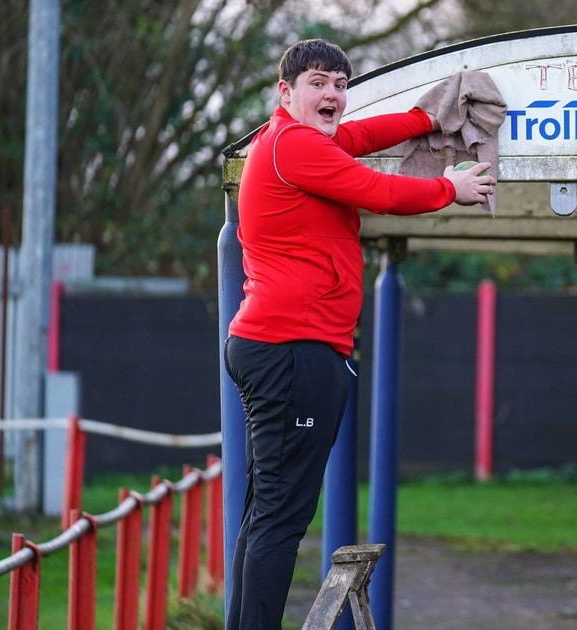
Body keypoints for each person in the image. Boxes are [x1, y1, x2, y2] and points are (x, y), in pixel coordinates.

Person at [223, 39, 495, 629]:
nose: (333, 95)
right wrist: (452, 189)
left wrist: (428, 118)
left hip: (280, 347)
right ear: (285, 93)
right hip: (291, 349)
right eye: (318, 82)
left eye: (340, 84)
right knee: (280, 516)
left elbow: (368, 136)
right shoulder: (293, 145)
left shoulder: (301, 143)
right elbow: (380, 192)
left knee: (266, 510)